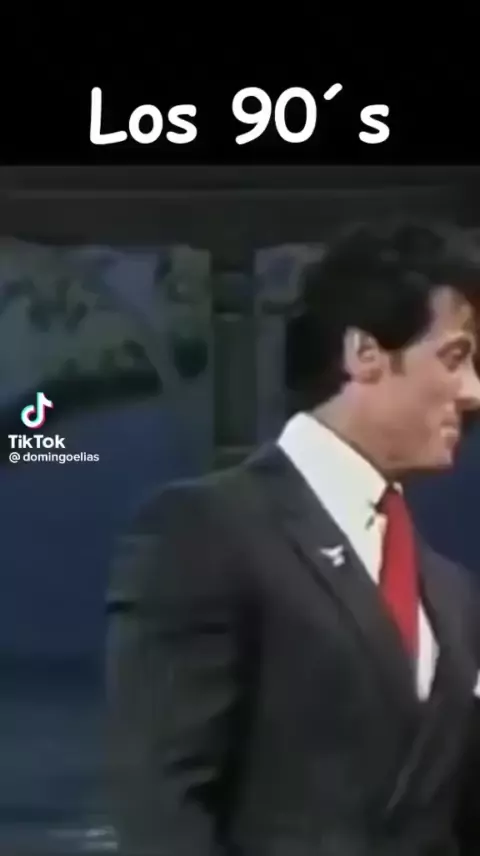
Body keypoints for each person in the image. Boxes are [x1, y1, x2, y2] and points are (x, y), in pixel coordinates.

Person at [106, 221, 480, 856]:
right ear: (364, 353)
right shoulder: (206, 530)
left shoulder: (452, 593)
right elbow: (161, 808)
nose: (472, 392)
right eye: (455, 357)